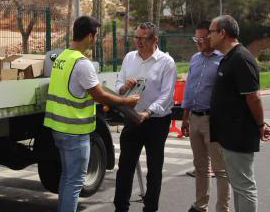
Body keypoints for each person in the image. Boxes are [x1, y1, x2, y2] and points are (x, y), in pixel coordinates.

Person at [44, 15, 139, 212]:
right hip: (75, 131)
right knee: (75, 181)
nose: (95, 40)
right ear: (89, 36)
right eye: (95, 36)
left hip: (58, 128)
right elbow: (99, 95)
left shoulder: (61, 57)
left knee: (67, 177)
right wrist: (126, 101)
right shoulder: (82, 63)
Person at [207, 15, 270, 212]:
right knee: (238, 186)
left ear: (222, 33)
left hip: (239, 133)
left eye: (211, 31)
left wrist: (261, 125)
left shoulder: (241, 58)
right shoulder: (228, 58)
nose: (208, 36)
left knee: (244, 187)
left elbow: (253, 97)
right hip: (229, 134)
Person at [113, 22, 176, 212]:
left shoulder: (166, 62)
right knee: (125, 166)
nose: (138, 42)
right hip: (132, 118)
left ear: (154, 40)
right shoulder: (129, 58)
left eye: (142, 38)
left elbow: (166, 96)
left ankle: (150, 208)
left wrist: (148, 112)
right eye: (136, 37)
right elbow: (118, 82)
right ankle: (120, 207)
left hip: (156, 121)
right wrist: (123, 88)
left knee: (154, 169)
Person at [181, 21, 230, 212]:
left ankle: (222, 208)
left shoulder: (223, 60)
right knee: (200, 168)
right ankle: (201, 206)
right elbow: (189, 90)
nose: (199, 42)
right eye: (196, 39)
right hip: (194, 118)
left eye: (203, 38)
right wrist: (185, 117)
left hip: (213, 120)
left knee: (220, 170)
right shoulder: (194, 59)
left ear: (212, 37)